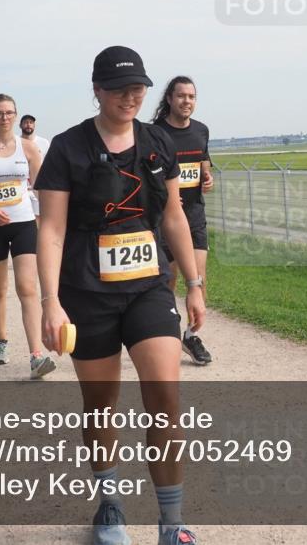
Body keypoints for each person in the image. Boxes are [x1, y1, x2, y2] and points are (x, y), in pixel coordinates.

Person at [37, 46, 204, 545]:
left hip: (149, 288)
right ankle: (110, 505)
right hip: (87, 292)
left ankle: (172, 525)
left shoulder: (158, 142)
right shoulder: (68, 148)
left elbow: (173, 215)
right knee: (100, 404)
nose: (129, 98)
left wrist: (194, 284)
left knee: (165, 398)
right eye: (117, 89)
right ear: (97, 90)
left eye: (137, 89)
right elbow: (51, 230)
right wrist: (50, 302)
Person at [0, 94, 56, 380]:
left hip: (23, 223)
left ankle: (36, 356)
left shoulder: (28, 148)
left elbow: (42, 186)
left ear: (15, 116)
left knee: (28, 288)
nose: (4, 117)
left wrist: (57, 214)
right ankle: (1, 341)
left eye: (8, 113)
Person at [153, 76, 215, 365]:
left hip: (195, 216)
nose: (186, 101)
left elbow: (203, 161)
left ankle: (191, 336)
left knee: (198, 278)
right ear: (169, 99)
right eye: (181, 96)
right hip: (166, 220)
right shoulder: (155, 133)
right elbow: (146, 174)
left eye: (191, 96)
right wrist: (164, 194)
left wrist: (207, 177)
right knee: (169, 280)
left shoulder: (201, 130)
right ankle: (165, 333)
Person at [20, 114, 51, 226]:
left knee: (39, 218)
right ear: (20, 125)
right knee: (22, 219)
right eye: (25, 122)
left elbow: (48, 165)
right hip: (21, 188)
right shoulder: (16, 142)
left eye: (31, 122)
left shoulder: (44, 143)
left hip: (38, 187)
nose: (28, 125)